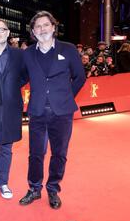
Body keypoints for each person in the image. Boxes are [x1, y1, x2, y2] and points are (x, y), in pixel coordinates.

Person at [19, 11, 86, 209]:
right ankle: (34, 188)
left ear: (53, 27)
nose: (42, 29)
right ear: (33, 31)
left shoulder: (68, 49)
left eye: (45, 25)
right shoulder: (28, 53)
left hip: (62, 112)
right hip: (37, 110)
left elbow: (80, 77)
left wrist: (66, 97)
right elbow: (22, 78)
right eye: (37, 26)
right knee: (36, 153)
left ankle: (53, 188)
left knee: (59, 153)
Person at [0, 17, 27, 199]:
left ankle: (3, 182)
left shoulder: (19, 55)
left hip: (11, 106)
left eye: (1, 30)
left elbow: (25, 76)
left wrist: (11, 87)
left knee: (6, 148)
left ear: (8, 33)